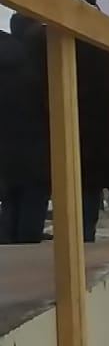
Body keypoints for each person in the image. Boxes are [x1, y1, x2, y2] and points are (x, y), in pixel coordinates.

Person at [0, 17, 48, 243]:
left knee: (10, 202)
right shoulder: (35, 62)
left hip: (5, 151)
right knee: (32, 205)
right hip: (36, 147)